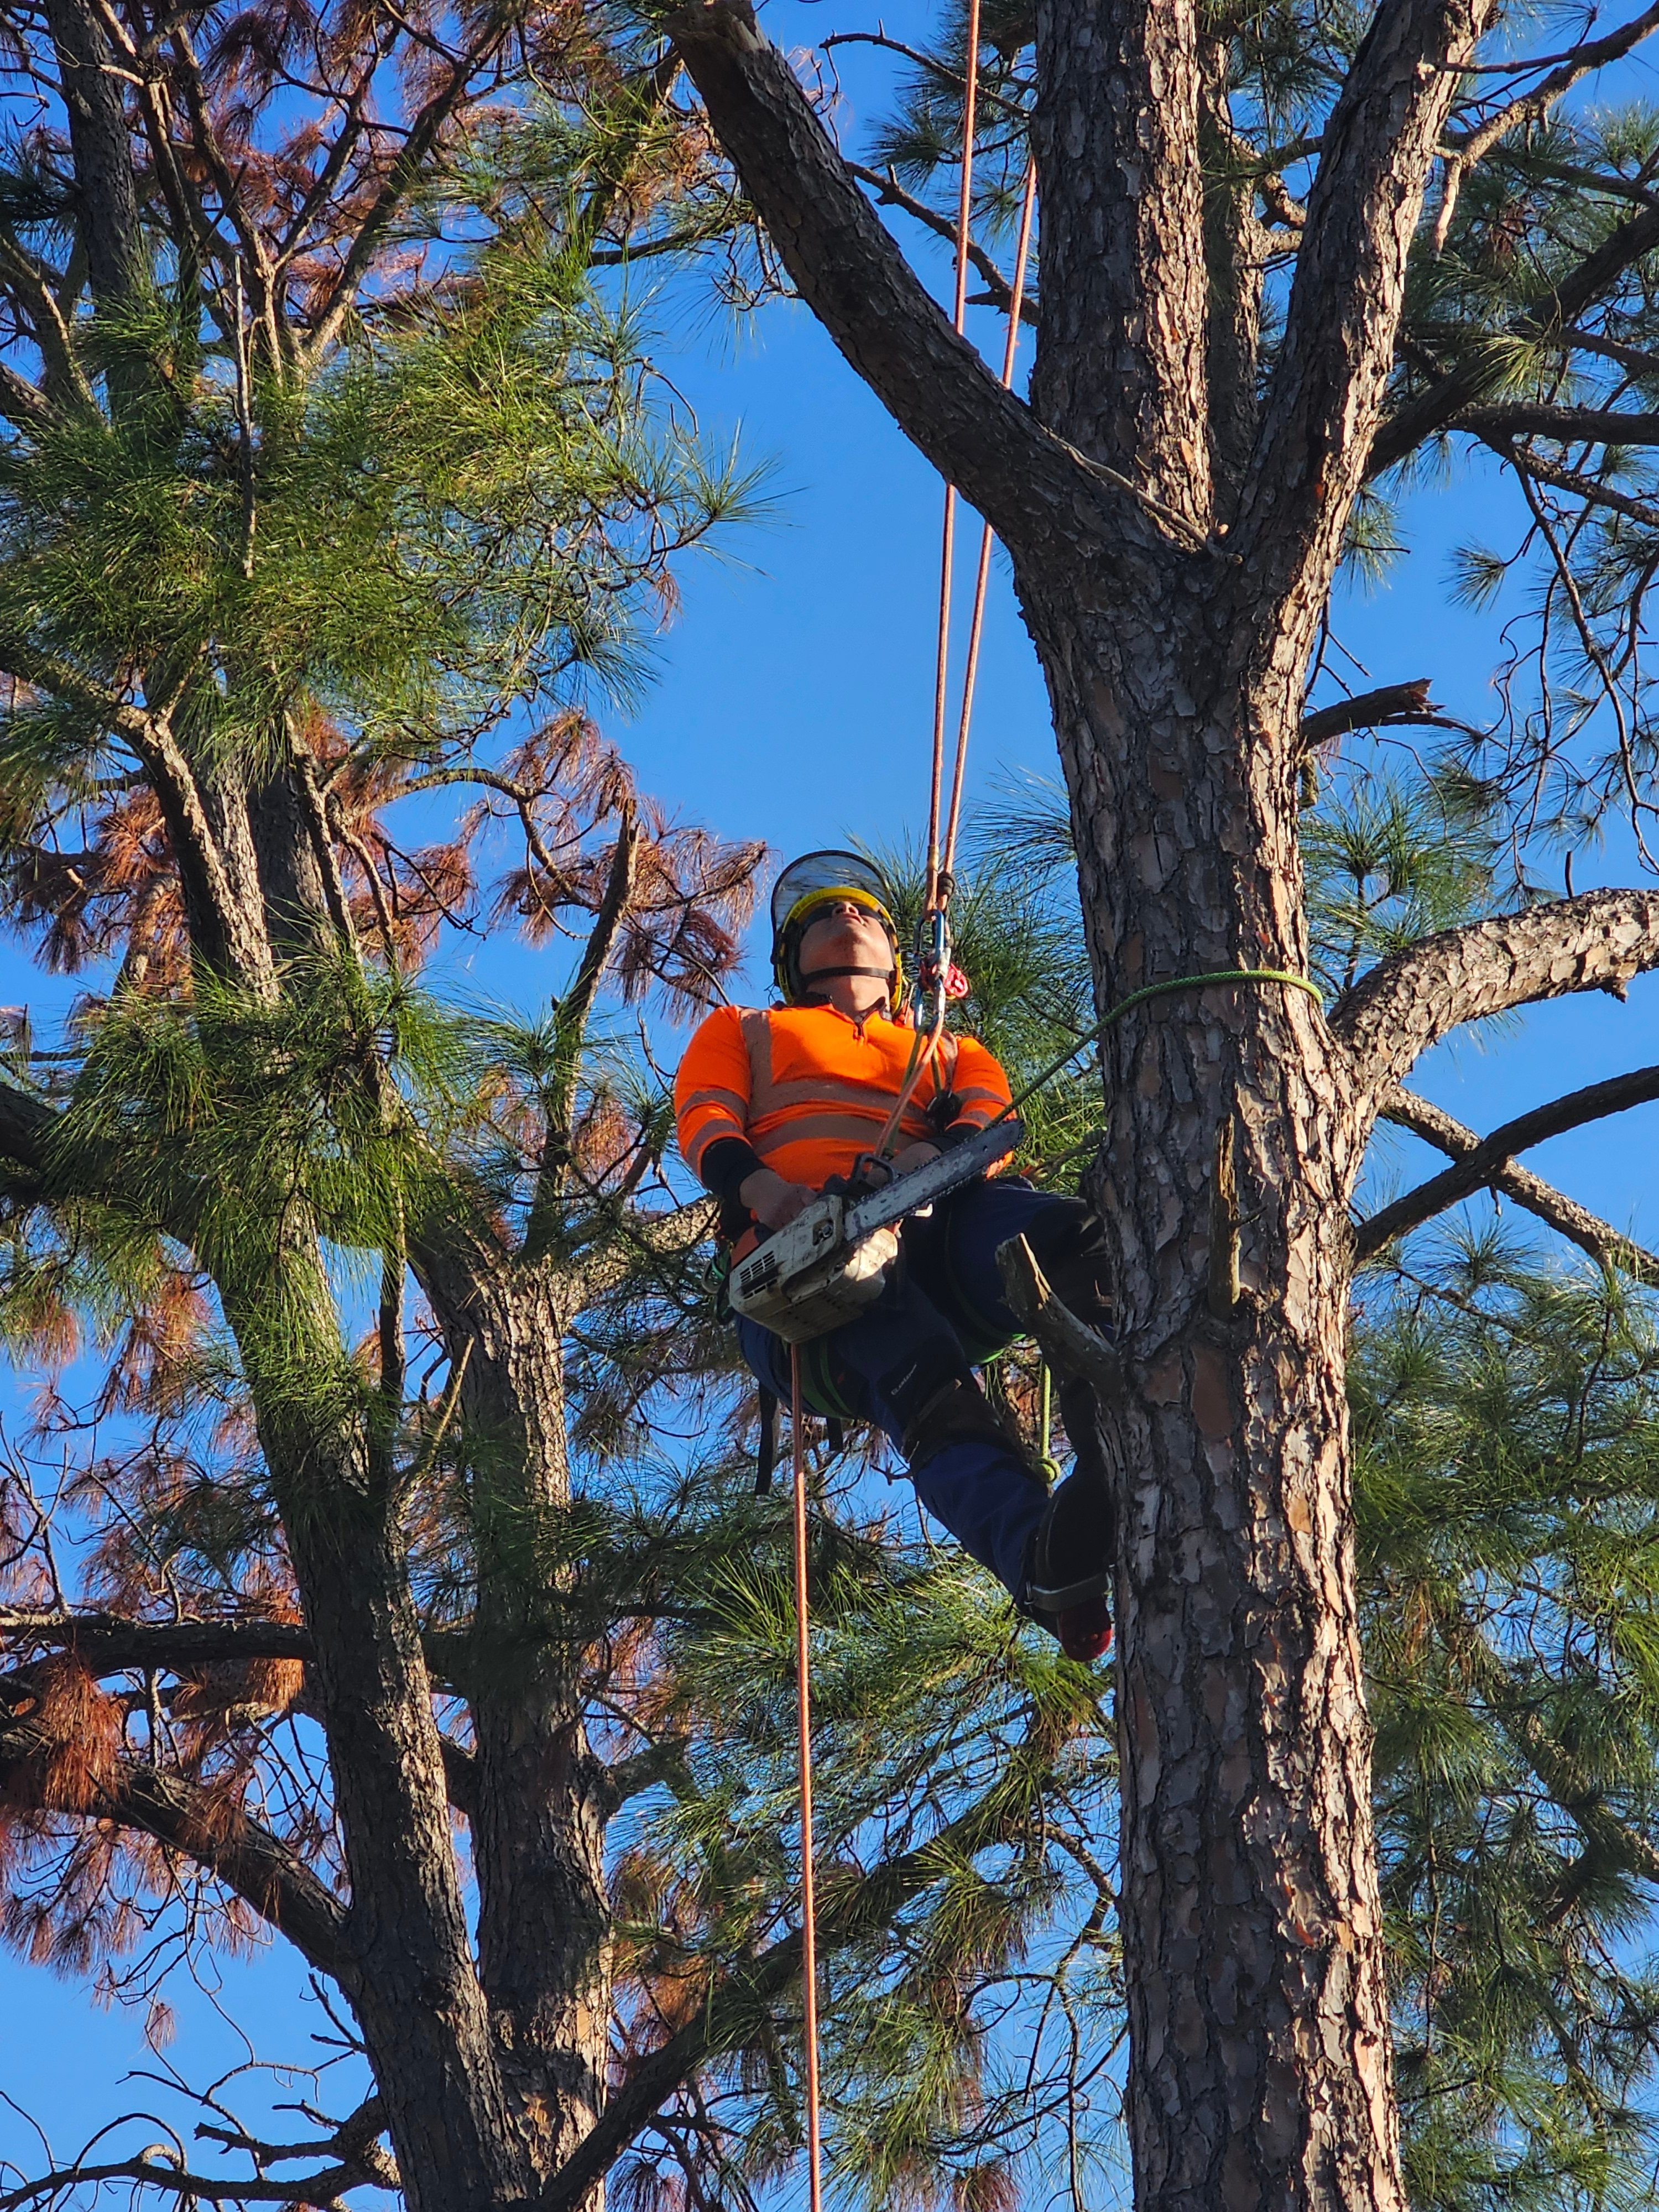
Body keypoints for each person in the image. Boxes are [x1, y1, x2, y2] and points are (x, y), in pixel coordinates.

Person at [674, 850, 1115, 1662]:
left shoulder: (947, 1048)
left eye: (865, 915)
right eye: (822, 919)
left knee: (1064, 1240)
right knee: (925, 1384)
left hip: (935, 1229)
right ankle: (1043, 1559)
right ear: (790, 961)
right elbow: (706, 1119)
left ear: (899, 962)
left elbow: (987, 1121)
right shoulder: (745, 1031)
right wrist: (766, 1193)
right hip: (805, 1276)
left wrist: (931, 1157)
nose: (847, 921)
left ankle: (1117, 1427)